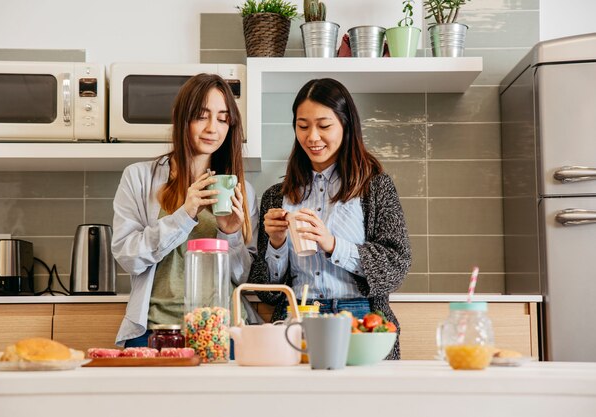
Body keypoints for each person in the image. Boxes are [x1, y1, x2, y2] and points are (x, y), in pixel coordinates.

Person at [248, 78, 411, 359]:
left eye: (324, 126)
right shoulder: (277, 196)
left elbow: (396, 266)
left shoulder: (375, 187)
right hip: (296, 318)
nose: (312, 137)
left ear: (346, 125)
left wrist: (333, 244)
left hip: (359, 318)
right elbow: (269, 292)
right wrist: (276, 243)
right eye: (302, 126)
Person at [112, 73, 258, 347]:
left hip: (221, 331)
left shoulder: (242, 190)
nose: (212, 128)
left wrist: (230, 234)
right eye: (202, 116)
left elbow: (244, 276)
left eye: (223, 118)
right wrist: (184, 215)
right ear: (181, 118)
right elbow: (127, 256)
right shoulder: (139, 177)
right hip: (156, 330)